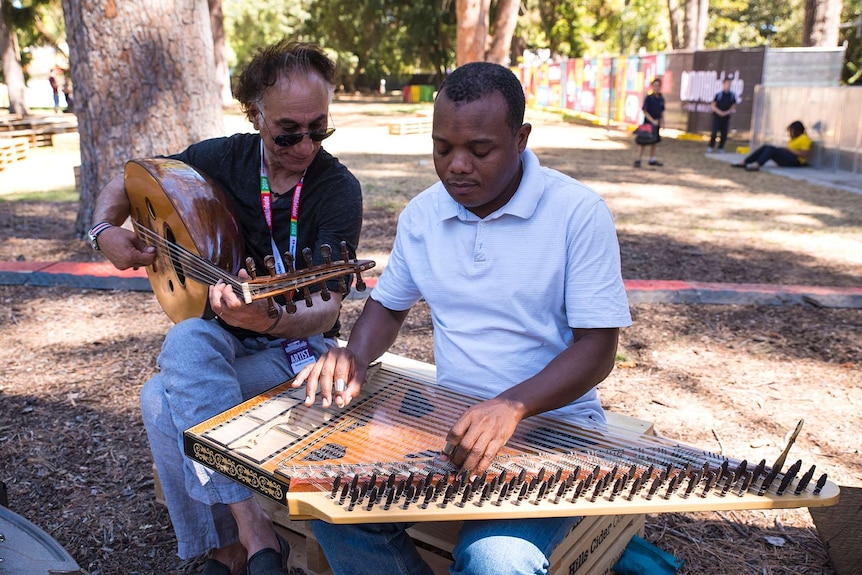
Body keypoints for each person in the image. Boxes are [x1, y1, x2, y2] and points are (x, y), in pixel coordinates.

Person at [293, 62, 632, 575]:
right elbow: (388, 305)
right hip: (447, 421)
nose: (456, 166)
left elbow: (597, 348)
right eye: (442, 148)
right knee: (332, 506)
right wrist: (354, 355)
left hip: (555, 430)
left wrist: (513, 405)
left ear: (520, 139)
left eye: (479, 150)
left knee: (496, 560)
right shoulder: (424, 215)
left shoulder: (577, 214)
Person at [87, 40, 363, 575]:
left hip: (299, 350)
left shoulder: (337, 189)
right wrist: (103, 231)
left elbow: (328, 308)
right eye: (288, 131)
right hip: (221, 339)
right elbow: (129, 180)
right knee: (188, 338)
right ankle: (252, 527)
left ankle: (223, 547)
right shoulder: (221, 158)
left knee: (159, 398)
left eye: (319, 128)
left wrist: (273, 318)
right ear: (255, 114)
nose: (305, 145)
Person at [733, 120, 811, 171]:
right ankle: (745, 162)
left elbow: (804, 154)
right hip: (789, 157)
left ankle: (757, 165)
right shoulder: (793, 139)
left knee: (771, 149)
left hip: (796, 161)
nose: (789, 133)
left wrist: (789, 150)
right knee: (766, 147)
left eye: (791, 131)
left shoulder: (804, 138)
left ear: (797, 130)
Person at [634, 78, 664, 168]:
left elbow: (662, 111)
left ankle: (652, 159)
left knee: (654, 141)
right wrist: (652, 121)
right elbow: (645, 111)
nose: (656, 88)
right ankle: (638, 159)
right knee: (642, 141)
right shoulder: (649, 98)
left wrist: (662, 122)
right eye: (655, 86)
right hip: (648, 124)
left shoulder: (661, 98)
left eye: (658, 86)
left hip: (657, 124)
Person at [707, 78, 738, 153]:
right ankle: (711, 147)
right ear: (723, 84)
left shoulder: (732, 95)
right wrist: (720, 112)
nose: (728, 85)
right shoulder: (719, 95)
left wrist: (726, 112)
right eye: (727, 83)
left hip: (726, 117)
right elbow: (713, 105)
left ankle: (721, 148)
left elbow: (733, 105)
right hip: (717, 117)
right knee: (714, 132)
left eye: (729, 84)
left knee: (724, 133)